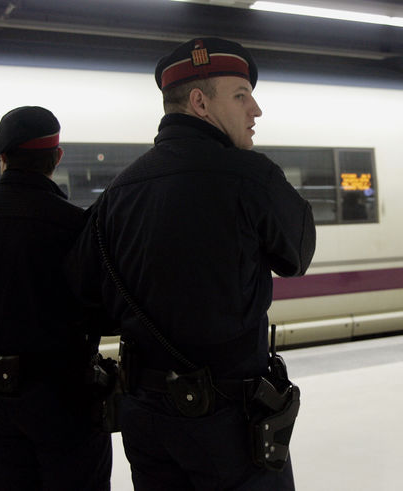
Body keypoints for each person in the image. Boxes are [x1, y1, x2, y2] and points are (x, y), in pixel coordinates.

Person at [68, 38, 316, 490]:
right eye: (241, 95)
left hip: (145, 414)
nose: (255, 110)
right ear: (200, 103)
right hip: (230, 418)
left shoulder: (117, 193)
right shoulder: (250, 175)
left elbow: (87, 298)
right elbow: (296, 256)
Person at [0, 106, 112, 490]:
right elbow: (102, 308)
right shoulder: (77, 226)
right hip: (68, 397)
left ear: (3, 159)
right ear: (57, 157)